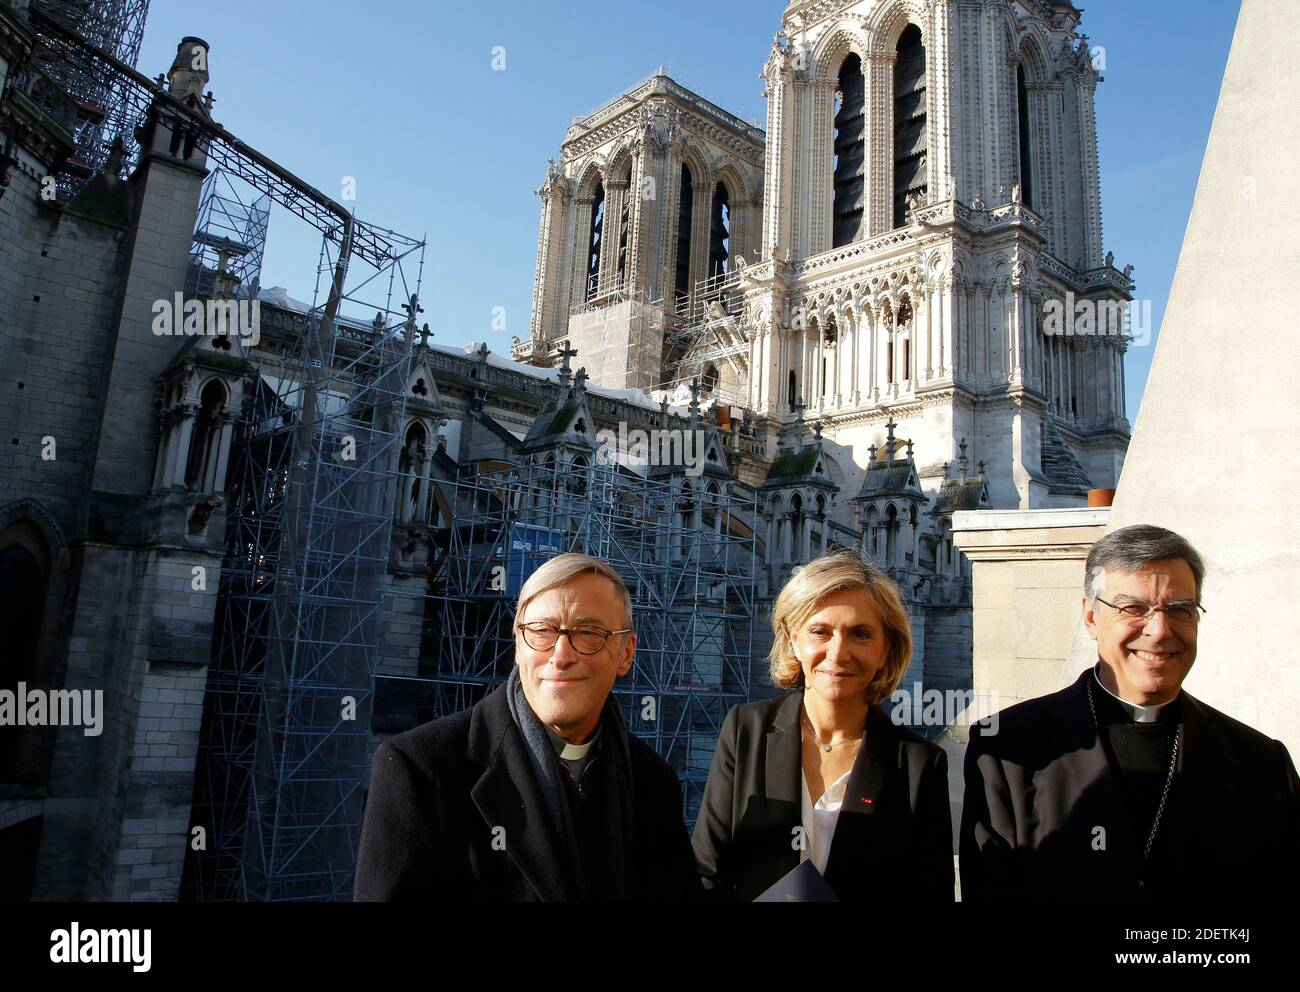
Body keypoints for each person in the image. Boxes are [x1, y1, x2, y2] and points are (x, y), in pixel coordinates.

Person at [961, 524, 1300, 900]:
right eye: (1133, 608)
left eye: (1180, 610)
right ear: (1091, 617)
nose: (1159, 630)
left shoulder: (1261, 763)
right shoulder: (1009, 750)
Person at [354, 552, 700, 901]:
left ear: (626, 653)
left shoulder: (654, 781)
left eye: (590, 632)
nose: (561, 655)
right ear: (518, 644)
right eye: (541, 631)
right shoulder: (421, 771)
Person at [692, 550, 954, 901]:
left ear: (885, 649)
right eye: (820, 631)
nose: (838, 652)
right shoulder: (746, 731)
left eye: (861, 634)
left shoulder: (918, 765)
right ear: (794, 639)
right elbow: (707, 873)